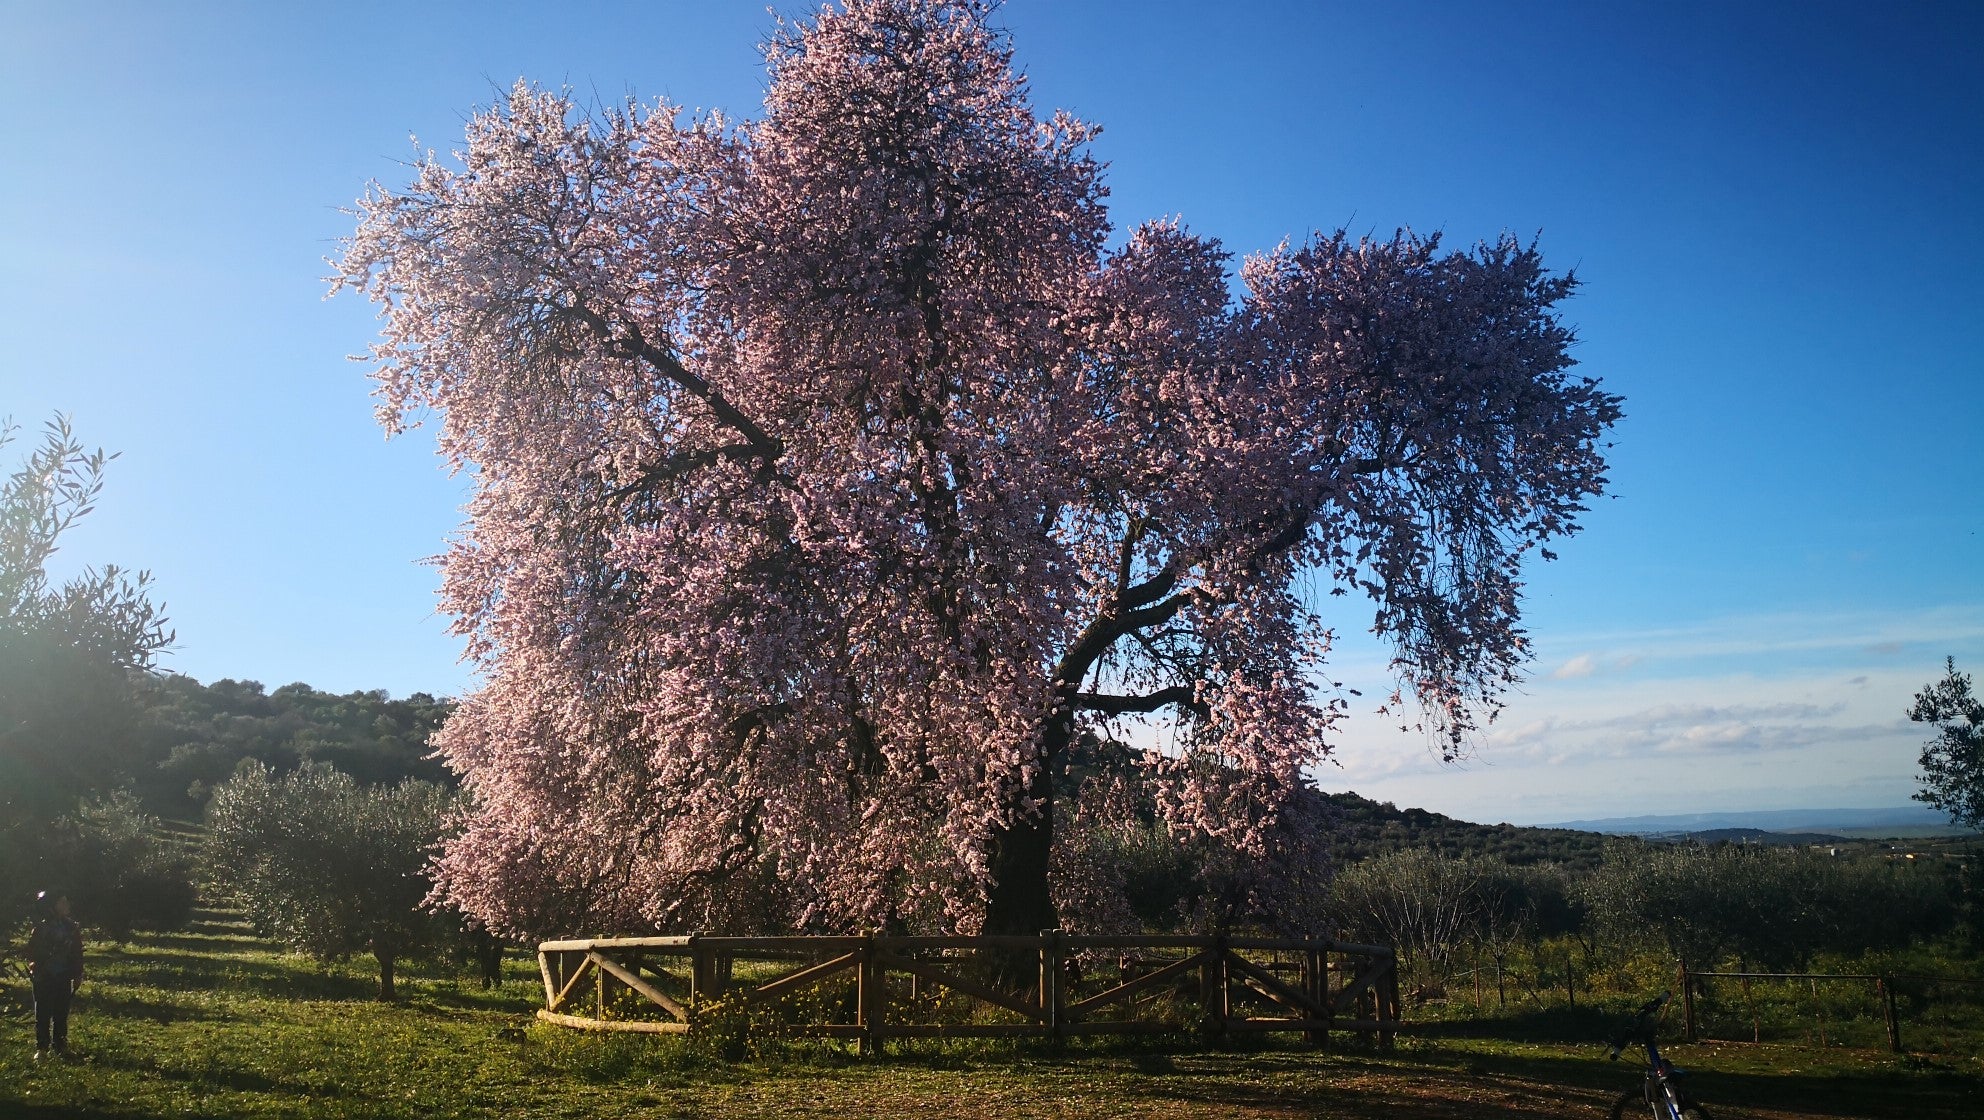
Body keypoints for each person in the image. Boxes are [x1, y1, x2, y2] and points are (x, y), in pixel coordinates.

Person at [26, 890, 84, 1061]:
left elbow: (77, 953)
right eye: (62, 902)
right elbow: (32, 952)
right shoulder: (41, 929)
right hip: (44, 976)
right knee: (42, 1012)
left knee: (61, 1012)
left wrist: (77, 974)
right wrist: (37, 966)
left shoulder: (71, 928)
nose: (67, 905)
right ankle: (42, 1047)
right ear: (52, 906)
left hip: (63, 975)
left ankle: (60, 1045)